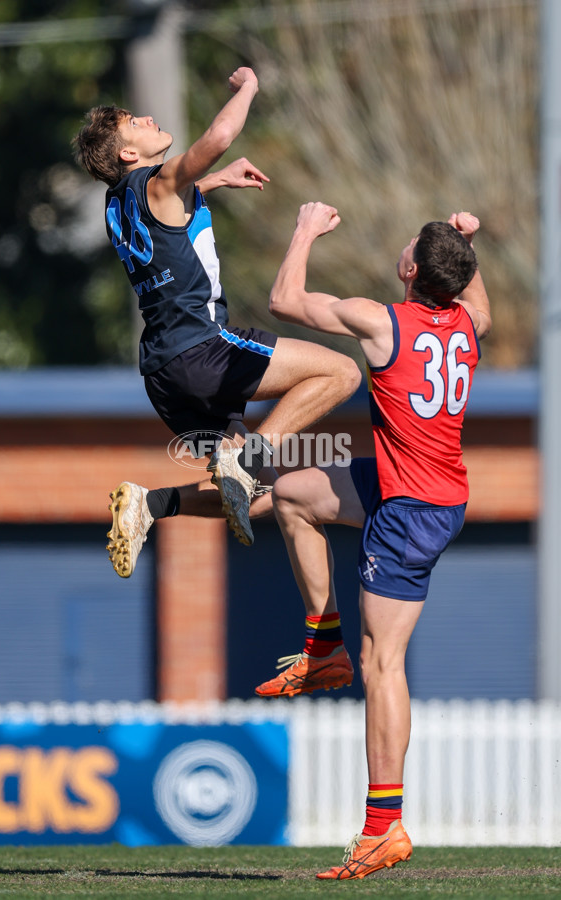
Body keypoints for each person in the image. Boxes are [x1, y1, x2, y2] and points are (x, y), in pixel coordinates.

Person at [254, 204, 491, 881]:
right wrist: (467, 244)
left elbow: (284, 301)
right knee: (296, 493)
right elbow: (474, 292)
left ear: (412, 268)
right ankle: (320, 646)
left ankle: (383, 828)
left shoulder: (384, 321)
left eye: (413, 244)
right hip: (414, 487)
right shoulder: (471, 323)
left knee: (383, 664)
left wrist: (304, 228)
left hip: (410, 509)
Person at [72, 67, 360, 575]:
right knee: (342, 373)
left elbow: (168, 211)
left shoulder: (118, 202)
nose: (147, 117)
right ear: (128, 154)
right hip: (204, 350)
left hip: (163, 374)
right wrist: (248, 87)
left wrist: (216, 181)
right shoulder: (158, 182)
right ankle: (248, 456)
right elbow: (221, 136)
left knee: (259, 496)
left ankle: (152, 504)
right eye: (134, 123)